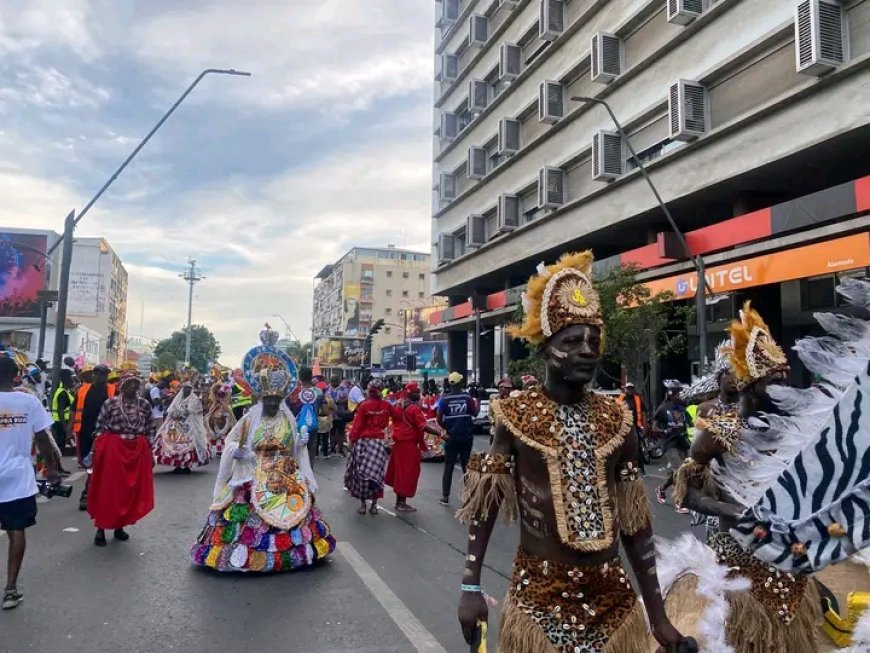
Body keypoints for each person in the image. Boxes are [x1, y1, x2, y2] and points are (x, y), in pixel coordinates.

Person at [456, 251, 692, 653]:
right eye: (572, 341)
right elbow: (486, 504)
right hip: (538, 606)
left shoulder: (618, 422)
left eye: (594, 341)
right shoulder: (513, 416)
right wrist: (470, 584)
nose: (586, 350)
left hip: (614, 607)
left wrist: (659, 617)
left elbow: (636, 527)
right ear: (546, 349)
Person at [662, 300, 844, 651]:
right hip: (740, 558)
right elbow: (686, 494)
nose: (779, 389)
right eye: (770, 382)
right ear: (748, 383)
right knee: (748, 637)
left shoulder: (793, 432)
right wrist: (732, 512)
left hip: (788, 551)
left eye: (782, 380)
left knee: (798, 634)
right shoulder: (718, 431)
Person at [190, 366, 335, 572]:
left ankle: (288, 549)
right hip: (253, 471)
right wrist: (238, 452)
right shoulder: (250, 419)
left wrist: (301, 443)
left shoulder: (287, 419)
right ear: (262, 401)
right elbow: (232, 440)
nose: (273, 405)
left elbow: (294, 448)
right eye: (269, 401)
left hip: (285, 473)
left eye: (277, 401)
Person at [0, 355, 60, 610]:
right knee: (16, 531)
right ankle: (11, 590)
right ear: (16, 375)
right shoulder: (28, 402)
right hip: (18, 479)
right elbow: (43, 439)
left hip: (17, 478)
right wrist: (52, 469)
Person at [86, 369, 155, 547]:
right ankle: (100, 529)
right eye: (129, 383)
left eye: (136, 383)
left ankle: (119, 527)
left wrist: (150, 451)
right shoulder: (110, 404)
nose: (133, 386)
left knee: (128, 491)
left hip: (136, 451)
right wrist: (95, 452)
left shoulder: (145, 405)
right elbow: (100, 428)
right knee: (109, 489)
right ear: (122, 385)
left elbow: (150, 429)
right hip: (113, 451)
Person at [385, 382, 442, 512]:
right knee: (407, 473)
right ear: (413, 394)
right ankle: (401, 503)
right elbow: (423, 426)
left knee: (400, 472)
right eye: (417, 392)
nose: (419, 395)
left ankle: (399, 501)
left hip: (399, 444)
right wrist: (440, 434)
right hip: (409, 445)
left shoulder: (399, 405)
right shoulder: (413, 409)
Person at [72, 364, 115, 510]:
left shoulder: (113, 390)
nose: (102, 376)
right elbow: (74, 410)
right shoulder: (82, 391)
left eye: (105, 374)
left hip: (106, 433)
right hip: (85, 432)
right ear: (93, 375)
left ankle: (88, 493)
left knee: (99, 464)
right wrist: (68, 430)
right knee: (88, 463)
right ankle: (92, 492)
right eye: (99, 374)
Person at [345, 380, 391, 515]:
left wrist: (352, 441)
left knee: (362, 475)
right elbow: (398, 415)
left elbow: (357, 426)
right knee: (376, 475)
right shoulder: (386, 405)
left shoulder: (364, 406)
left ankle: (363, 505)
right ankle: (374, 505)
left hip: (364, 443)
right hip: (378, 444)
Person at [437, 371, 478, 506]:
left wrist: (448, 427)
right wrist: (478, 400)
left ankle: (445, 497)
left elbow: (439, 419)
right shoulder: (467, 398)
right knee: (467, 467)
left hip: (451, 438)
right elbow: (475, 413)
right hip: (466, 437)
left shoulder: (444, 400)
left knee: (448, 467)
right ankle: (469, 496)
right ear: (461, 383)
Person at [153, 382, 210, 472]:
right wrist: (175, 416)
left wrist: (185, 416)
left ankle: (187, 465)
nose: (186, 390)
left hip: (189, 427)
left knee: (187, 444)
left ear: (191, 390)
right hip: (175, 426)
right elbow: (171, 411)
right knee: (171, 442)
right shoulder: (177, 399)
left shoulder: (194, 400)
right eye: (185, 388)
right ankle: (178, 465)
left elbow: (195, 413)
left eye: (188, 388)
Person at [653, 381, 692, 512]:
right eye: (678, 393)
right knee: (679, 472)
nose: (680, 395)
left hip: (683, 443)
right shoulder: (664, 408)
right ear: (671, 394)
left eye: (681, 393)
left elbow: (690, 424)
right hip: (670, 444)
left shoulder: (682, 408)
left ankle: (661, 489)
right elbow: (654, 426)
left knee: (683, 471)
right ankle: (679, 502)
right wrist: (663, 431)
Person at [286, 367, 323, 464]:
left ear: (300, 377)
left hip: (296, 426)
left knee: (297, 453)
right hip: (313, 425)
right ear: (311, 376)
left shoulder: (294, 392)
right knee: (311, 453)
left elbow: (288, 407)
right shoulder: (319, 392)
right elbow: (321, 407)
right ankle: (309, 475)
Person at [617, 382, 647, 476]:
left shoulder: (637, 399)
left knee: (637, 447)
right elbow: (615, 410)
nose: (630, 390)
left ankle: (641, 468)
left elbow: (643, 412)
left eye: (631, 388)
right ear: (626, 389)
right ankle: (622, 468)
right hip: (624, 427)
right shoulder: (621, 398)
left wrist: (644, 426)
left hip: (635, 426)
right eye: (628, 388)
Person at [49, 368, 75, 472]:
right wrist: (65, 426)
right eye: (71, 378)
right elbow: (60, 411)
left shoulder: (64, 391)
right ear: (66, 379)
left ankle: (58, 468)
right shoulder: (62, 393)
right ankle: (55, 469)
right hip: (59, 424)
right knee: (58, 448)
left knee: (60, 448)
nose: (73, 381)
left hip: (59, 423)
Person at [205, 380, 235, 456]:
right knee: (217, 432)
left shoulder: (225, 403)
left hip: (224, 419)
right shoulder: (215, 404)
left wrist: (225, 407)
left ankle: (224, 449)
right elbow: (210, 412)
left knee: (225, 434)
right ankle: (219, 449)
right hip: (217, 421)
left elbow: (229, 413)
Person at [327, 377, 351, 457]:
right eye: (332, 381)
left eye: (335, 381)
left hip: (341, 414)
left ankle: (340, 449)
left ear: (338, 381)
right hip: (331, 415)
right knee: (332, 432)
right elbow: (325, 399)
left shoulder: (344, 389)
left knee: (341, 432)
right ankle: (332, 448)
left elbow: (348, 399)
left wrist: (339, 401)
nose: (333, 383)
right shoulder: (328, 389)